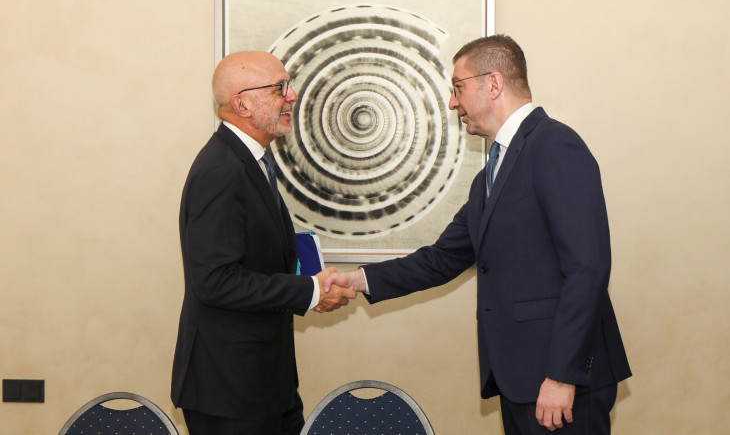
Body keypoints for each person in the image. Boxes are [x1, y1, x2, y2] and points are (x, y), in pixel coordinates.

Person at [325, 35, 631, 434]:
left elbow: (587, 268)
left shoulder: (555, 145)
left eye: (458, 87)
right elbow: (441, 259)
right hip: (520, 379)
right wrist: (357, 279)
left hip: (559, 381)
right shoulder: (490, 175)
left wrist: (562, 375)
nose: (453, 103)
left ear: (493, 84)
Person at [171, 51, 356, 435]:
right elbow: (215, 281)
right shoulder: (220, 171)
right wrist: (309, 291)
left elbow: (258, 260)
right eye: (279, 88)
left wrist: (310, 284)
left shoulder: (250, 161)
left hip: (264, 383)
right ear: (242, 104)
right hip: (230, 392)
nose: (292, 95)